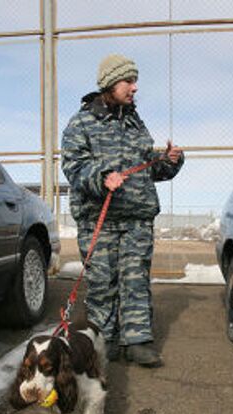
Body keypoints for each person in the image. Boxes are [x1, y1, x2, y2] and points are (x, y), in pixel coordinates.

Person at [61, 54, 184, 367]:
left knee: (135, 281)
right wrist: (101, 177)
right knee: (102, 283)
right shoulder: (82, 122)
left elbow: (149, 170)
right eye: (128, 81)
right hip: (98, 220)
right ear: (110, 83)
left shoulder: (134, 122)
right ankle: (104, 341)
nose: (134, 87)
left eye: (134, 80)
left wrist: (169, 161)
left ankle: (137, 340)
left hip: (137, 220)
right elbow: (73, 166)